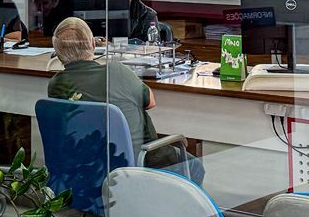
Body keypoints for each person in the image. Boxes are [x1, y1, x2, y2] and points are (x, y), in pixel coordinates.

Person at [47, 17, 202, 180]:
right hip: (141, 159)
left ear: (58, 53)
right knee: (195, 166)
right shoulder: (116, 72)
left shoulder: (56, 85)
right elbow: (150, 101)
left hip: (89, 163)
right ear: (93, 44)